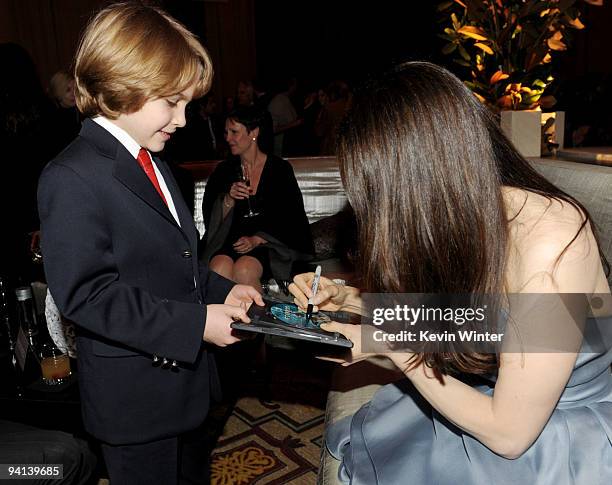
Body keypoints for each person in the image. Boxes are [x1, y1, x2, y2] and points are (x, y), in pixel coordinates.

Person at [289, 62, 611, 484]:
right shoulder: (480, 221)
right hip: (505, 395)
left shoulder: (552, 239)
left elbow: (511, 435)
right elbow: (469, 321)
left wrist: (394, 346)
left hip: (555, 432)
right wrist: (348, 299)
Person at [37, 3, 263, 484]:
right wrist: (197, 323)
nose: (182, 119)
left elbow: (177, 261)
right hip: (135, 402)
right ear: (122, 87)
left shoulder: (152, 158)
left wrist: (223, 293)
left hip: (185, 386)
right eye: (171, 102)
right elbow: (87, 297)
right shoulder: (70, 176)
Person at [201, 105, 313, 290]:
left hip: (269, 244)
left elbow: (292, 216)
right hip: (231, 241)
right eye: (226, 132)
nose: (228, 138)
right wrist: (228, 198)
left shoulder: (279, 169)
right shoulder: (223, 171)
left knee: (245, 269)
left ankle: (254, 317)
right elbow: (211, 217)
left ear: (254, 132)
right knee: (218, 269)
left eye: (234, 132)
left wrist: (258, 238)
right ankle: (225, 318)